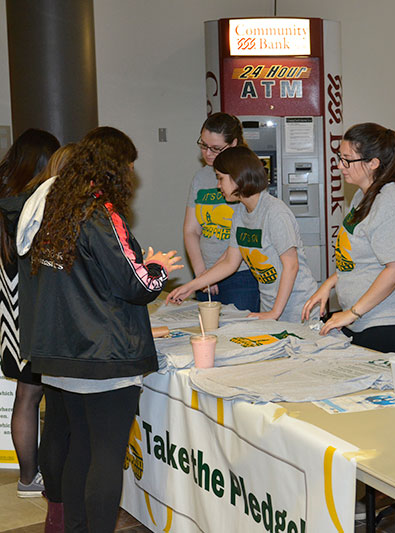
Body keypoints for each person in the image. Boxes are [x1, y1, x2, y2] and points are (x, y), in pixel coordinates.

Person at [20, 127, 183, 531]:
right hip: (105, 358)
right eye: (129, 165)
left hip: (63, 355)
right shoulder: (101, 214)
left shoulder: (54, 211)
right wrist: (158, 267)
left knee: (81, 452)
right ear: (116, 166)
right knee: (107, 458)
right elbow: (136, 284)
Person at [301, 123, 395, 353]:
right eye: (340, 157)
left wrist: (352, 313)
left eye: (347, 160)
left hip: (386, 321)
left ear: (373, 163)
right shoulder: (361, 196)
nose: (340, 166)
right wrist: (330, 283)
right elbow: (360, 258)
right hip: (363, 319)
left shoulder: (390, 203)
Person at [168, 146, 316, 321]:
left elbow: (291, 266)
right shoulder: (240, 212)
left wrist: (274, 313)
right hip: (270, 305)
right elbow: (230, 262)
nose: (218, 185)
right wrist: (191, 286)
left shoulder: (275, 212)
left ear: (237, 177)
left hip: (297, 307)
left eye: (221, 178)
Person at [0, 129, 59, 498]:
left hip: (8, 313)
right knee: (40, 396)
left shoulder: (5, 199)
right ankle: (33, 477)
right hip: (34, 316)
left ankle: (27, 477)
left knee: (25, 396)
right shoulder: (33, 206)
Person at [183, 112, 259, 312]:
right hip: (204, 274)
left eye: (215, 148)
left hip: (240, 276)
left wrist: (212, 273)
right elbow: (191, 230)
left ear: (233, 144)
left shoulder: (247, 176)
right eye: (203, 145)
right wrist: (201, 273)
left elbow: (243, 235)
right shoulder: (200, 178)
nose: (207, 153)